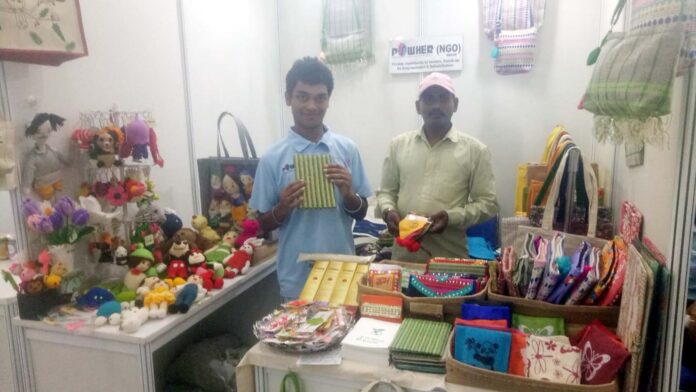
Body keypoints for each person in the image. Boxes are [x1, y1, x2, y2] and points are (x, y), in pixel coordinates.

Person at [250, 57, 372, 301]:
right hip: (297, 278)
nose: (312, 106)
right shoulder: (272, 157)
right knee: (300, 339)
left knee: (343, 337)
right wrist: (283, 208)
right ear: (288, 98)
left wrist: (348, 194)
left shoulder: (347, 149)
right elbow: (262, 224)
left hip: (342, 272)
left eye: (320, 97)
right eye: (302, 96)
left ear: (328, 100)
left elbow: (361, 212)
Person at [377, 72, 498, 262]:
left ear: (455, 104)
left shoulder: (476, 151)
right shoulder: (398, 146)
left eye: (443, 98)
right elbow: (385, 193)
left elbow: (489, 204)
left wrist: (451, 217)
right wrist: (388, 211)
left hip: (450, 261)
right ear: (418, 107)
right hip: (403, 259)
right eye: (429, 99)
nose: (436, 105)